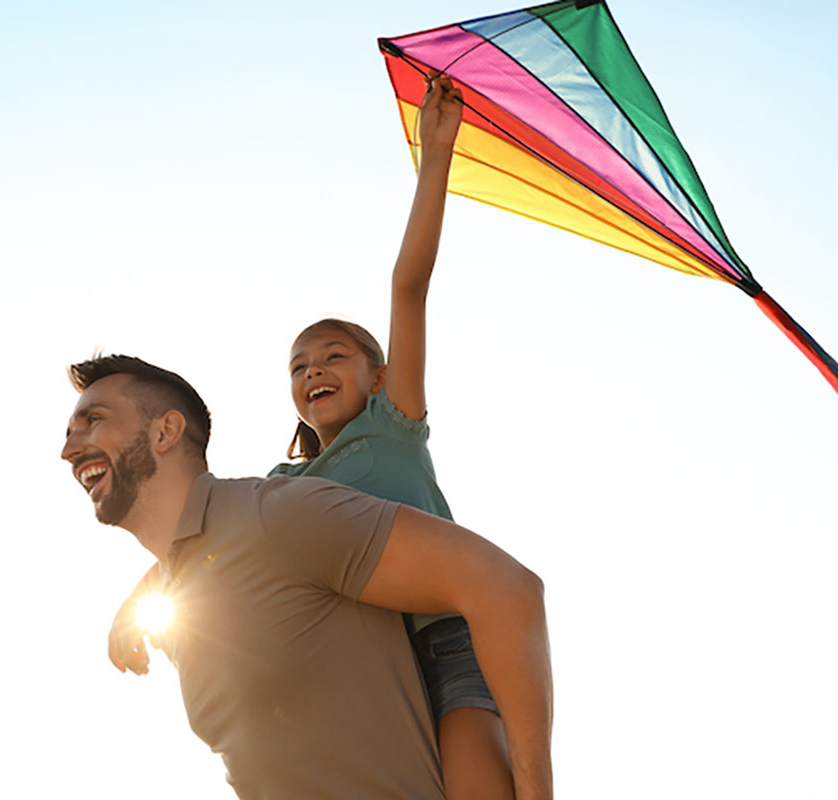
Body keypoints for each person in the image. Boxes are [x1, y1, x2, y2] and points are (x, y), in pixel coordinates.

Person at [106, 75, 515, 797]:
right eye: (299, 364)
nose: (313, 369)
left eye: (333, 356)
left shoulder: (395, 421)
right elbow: (197, 540)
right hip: (364, 664)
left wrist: (437, 156)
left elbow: (408, 284)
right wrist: (131, 611)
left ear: (378, 377)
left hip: (441, 632)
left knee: (476, 771)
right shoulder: (285, 486)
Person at [63, 354, 552, 800]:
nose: (68, 449)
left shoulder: (278, 515)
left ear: (165, 432)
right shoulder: (178, 606)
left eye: (93, 420)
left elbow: (508, 590)